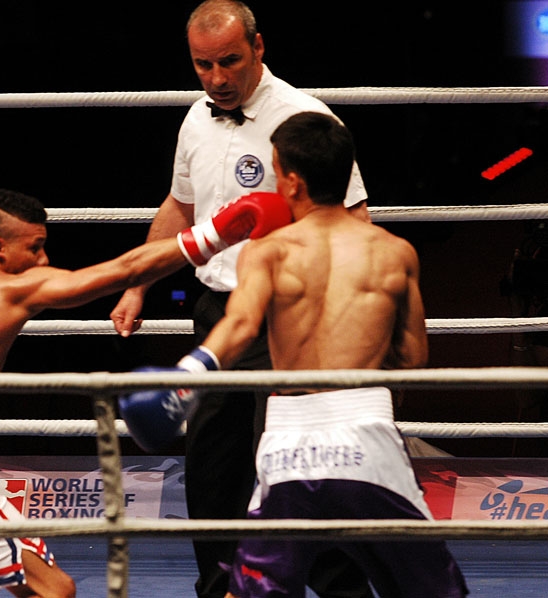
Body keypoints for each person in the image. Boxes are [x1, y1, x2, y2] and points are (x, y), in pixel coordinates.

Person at [0, 186, 292, 598]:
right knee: (55, 588)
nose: (44, 260)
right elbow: (121, 270)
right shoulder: (12, 290)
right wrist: (216, 232)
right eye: (37, 247)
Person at [119, 112, 469, 597]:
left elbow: (239, 326)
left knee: (256, 587)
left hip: (288, 444)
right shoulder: (395, 252)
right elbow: (412, 356)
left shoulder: (268, 251)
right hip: (367, 432)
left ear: (291, 179)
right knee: (431, 588)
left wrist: (184, 380)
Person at [109, 2, 371, 597]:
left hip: (294, 319)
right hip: (219, 312)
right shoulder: (195, 121)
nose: (217, 78)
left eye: (229, 61)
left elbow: (356, 221)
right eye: (203, 65)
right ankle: (224, 590)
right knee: (212, 465)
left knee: (300, 468)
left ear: (258, 47)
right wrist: (138, 284)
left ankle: (338, 591)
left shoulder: (305, 118)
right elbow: (180, 207)